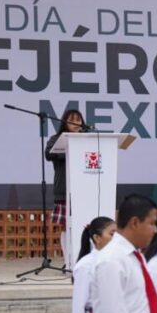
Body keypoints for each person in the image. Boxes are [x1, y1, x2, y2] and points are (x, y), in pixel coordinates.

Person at [45, 108, 87, 260]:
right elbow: (49, 154)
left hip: (85, 189)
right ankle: (68, 260)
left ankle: (81, 257)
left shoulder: (88, 139)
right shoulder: (57, 138)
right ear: (64, 122)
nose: (76, 123)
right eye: (72, 120)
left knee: (84, 224)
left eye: (78, 120)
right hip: (65, 189)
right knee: (66, 226)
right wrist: (72, 150)